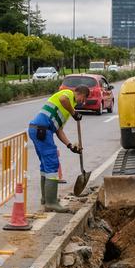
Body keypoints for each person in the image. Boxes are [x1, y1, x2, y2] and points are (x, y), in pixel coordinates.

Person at [28, 84, 90, 212]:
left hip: (38, 129)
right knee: (52, 163)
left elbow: (59, 130)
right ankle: (51, 203)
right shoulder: (68, 94)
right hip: (42, 130)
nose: (82, 102)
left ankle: (46, 199)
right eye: (83, 99)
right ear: (79, 93)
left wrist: (70, 146)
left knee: (45, 165)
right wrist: (74, 113)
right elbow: (63, 99)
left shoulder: (67, 109)